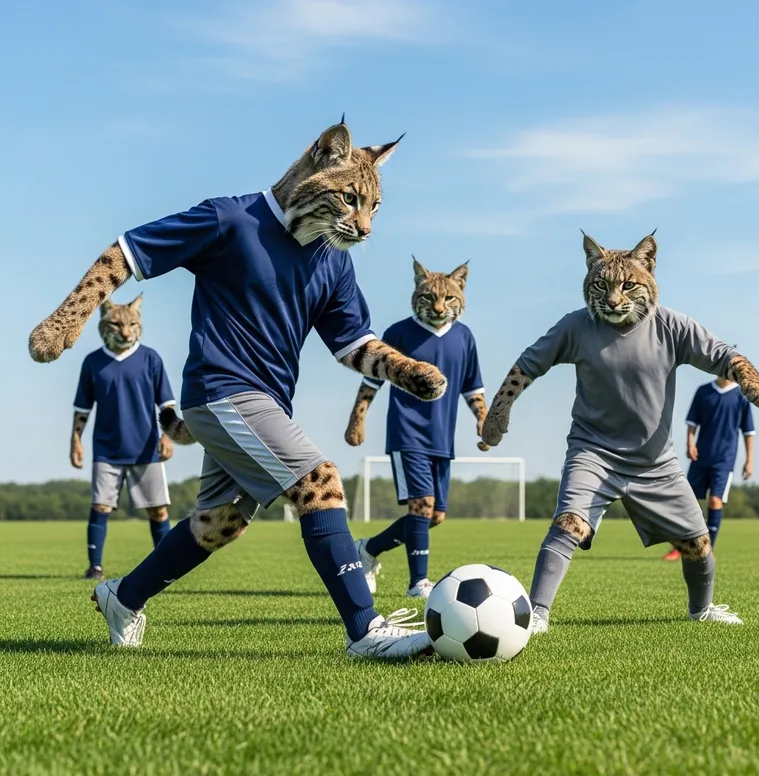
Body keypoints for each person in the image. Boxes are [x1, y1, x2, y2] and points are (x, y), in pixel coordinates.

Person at [28, 119, 446, 658]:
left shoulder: (333, 261)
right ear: (322, 160)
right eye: (350, 201)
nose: (363, 225)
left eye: (373, 208)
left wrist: (406, 370)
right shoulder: (230, 219)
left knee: (220, 523)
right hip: (220, 387)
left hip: (265, 402)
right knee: (320, 480)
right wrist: (68, 320)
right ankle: (365, 630)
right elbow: (125, 255)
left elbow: (353, 344)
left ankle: (123, 597)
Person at [481, 231, 759, 632]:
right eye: (602, 286)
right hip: (593, 451)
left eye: (627, 286)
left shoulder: (671, 325)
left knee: (698, 544)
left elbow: (724, 354)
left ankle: (701, 610)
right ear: (589, 279)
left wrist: (750, 380)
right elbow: (528, 364)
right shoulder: (576, 326)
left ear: (649, 268)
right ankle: (537, 614)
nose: (614, 298)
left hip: (655, 460)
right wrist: (498, 412)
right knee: (568, 523)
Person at [344, 257, 486, 599]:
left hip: (442, 438)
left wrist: (484, 421)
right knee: (421, 505)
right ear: (417, 295)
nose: (438, 305)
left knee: (434, 516)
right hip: (408, 434)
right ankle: (418, 583)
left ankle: (367, 550)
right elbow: (370, 382)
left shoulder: (464, 337)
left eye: (448, 298)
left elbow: (473, 388)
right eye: (429, 298)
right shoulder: (399, 333)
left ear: (461, 293)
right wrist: (357, 419)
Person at [71, 295, 175, 580]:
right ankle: (95, 567)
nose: (125, 331)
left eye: (130, 324)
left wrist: (168, 436)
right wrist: (76, 440)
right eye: (116, 325)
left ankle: (165, 567)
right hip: (106, 449)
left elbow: (166, 404)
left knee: (158, 511)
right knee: (100, 506)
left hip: (146, 449)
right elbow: (82, 408)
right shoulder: (92, 362)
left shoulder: (151, 358)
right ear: (105, 324)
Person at [663, 376, 755, 561]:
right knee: (688, 503)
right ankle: (679, 548)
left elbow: (748, 431)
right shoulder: (703, 391)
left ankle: (706, 549)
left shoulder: (741, 396)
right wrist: (690, 444)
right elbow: (692, 422)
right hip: (701, 457)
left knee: (715, 501)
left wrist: (749, 460)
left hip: (724, 460)